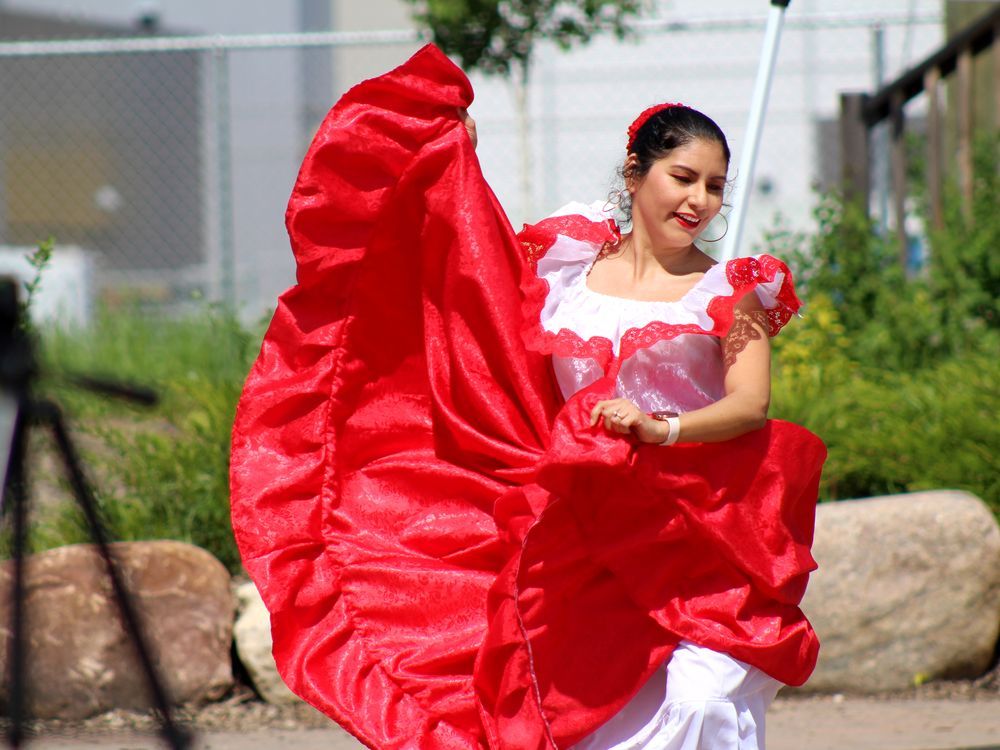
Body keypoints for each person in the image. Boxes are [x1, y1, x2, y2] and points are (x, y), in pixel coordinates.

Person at [230, 44, 825, 750]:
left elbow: (750, 406)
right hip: (581, 517)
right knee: (576, 701)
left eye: (716, 186)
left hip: (701, 523)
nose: (700, 201)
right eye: (683, 178)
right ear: (635, 174)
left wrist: (659, 428)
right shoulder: (568, 261)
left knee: (701, 694)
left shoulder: (732, 289)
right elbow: (477, 275)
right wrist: (451, 163)